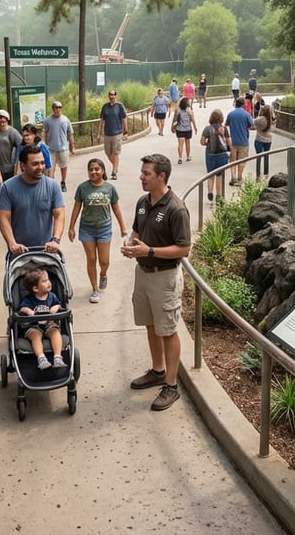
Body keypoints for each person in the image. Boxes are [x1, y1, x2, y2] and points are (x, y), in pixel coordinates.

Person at [120, 154, 192, 411]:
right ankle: (158, 370)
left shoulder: (176, 208)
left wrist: (149, 252)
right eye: (142, 172)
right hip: (143, 274)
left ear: (161, 176)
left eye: (146, 173)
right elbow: (137, 231)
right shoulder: (143, 202)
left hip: (165, 278)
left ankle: (171, 386)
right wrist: (131, 244)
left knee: (168, 330)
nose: (141, 177)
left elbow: (184, 249)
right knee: (151, 325)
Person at [68, 158, 128, 304]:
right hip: (86, 228)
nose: (94, 172)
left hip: (104, 228)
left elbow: (116, 208)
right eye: (91, 169)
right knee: (91, 259)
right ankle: (95, 289)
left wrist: (123, 228)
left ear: (103, 171)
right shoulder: (83, 188)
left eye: (97, 169)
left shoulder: (109, 188)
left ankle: (103, 274)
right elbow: (77, 207)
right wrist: (71, 227)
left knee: (104, 261)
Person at [0, 145, 65, 255]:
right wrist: (12, 243)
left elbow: (59, 215)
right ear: (23, 166)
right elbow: (4, 218)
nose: (40, 167)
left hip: (46, 251)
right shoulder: (7, 187)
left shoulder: (53, 186)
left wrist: (55, 240)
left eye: (42, 163)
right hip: (19, 253)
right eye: (35, 164)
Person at [18, 269, 67, 370]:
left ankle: (57, 357)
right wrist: (28, 311)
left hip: (49, 324)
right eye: (44, 281)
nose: (49, 282)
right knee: (36, 335)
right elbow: (22, 308)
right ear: (35, 288)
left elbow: (58, 304)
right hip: (33, 326)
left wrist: (56, 307)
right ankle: (41, 358)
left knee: (55, 331)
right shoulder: (29, 299)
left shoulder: (52, 297)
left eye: (48, 279)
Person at [42, 100, 75, 192]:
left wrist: (73, 146)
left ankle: (63, 182)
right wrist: (43, 144)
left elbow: (70, 133)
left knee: (63, 166)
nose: (58, 109)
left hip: (63, 148)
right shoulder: (47, 120)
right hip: (51, 149)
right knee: (50, 168)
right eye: (56, 107)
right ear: (53, 109)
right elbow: (44, 133)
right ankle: (52, 186)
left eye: (60, 107)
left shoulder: (65, 120)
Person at [199, 110, 230, 203]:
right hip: (222, 154)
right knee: (219, 175)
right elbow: (229, 141)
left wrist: (207, 143)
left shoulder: (207, 129)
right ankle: (219, 195)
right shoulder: (224, 129)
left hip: (210, 154)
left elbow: (202, 141)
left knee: (210, 174)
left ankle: (210, 192)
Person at [97, 90, 128, 180]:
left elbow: (124, 118)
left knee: (115, 153)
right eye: (110, 94)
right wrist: (99, 133)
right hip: (107, 133)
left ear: (115, 96)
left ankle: (114, 172)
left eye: (114, 94)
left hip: (117, 133)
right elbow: (102, 120)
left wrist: (126, 132)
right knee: (108, 153)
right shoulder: (105, 107)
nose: (112, 96)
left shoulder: (119, 106)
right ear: (108, 96)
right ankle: (116, 166)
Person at [226, 98, 256, 187]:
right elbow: (252, 126)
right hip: (243, 141)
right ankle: (239, 177)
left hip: (233, 141)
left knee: (233, 160)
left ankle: (233, 177)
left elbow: (226, 124)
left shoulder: (231, 114)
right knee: (242, 160)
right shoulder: (247, 115)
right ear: (243, 105)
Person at [0, 109, 23, 184]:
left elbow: (21, 145)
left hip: (9, 167)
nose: (1, 124)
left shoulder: (13, 132)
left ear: (7, 121)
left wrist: (16, 160)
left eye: (3, 122)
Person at [254, 101, 276, 179]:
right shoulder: (272, 120)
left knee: (258, 157)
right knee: (266, 156)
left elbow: (253, 123)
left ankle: (258, 175)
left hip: (259, 140)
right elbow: (273, 129)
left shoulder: (260, 119)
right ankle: (266, 173)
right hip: (268, 140)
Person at [173, 98, 197, 164]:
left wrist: (172, 127)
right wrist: (195, 128)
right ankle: (188, 156)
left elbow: (174, 119)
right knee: (188, 143)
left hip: (179, 129)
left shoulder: (177, 110)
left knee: (180, 144)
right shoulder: (189, 110)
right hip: (188, 129)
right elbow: (193, 120)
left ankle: (180, 158)